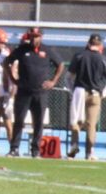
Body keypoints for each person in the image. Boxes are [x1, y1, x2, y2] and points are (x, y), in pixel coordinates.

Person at [6, 27, 64, 157]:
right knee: (19, 121)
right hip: (24, 91)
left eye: (36, 36)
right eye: (31, 36)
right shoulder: (22, 49)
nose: (33, 39)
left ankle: (36, 150)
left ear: (41, 37)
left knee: (38, 122)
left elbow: (60, 64)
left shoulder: (47, 50)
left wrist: (53, 81)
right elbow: (7, 62)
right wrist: (12, 78)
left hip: (40, 92)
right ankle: (14, 148)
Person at [66, 35, 106, 160]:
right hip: (95, 94)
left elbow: (68, 77)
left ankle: (74, 147)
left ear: (88, 43)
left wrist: (73, 90)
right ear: (100, 45)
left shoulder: (79, 56)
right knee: (91, 124)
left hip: (79, 92)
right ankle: (90, 152)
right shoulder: (103, 59)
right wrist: (104, 93)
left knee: (76, 122)